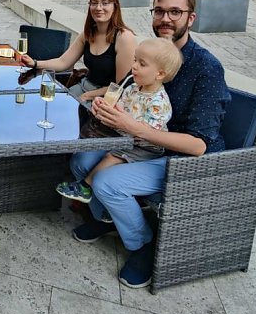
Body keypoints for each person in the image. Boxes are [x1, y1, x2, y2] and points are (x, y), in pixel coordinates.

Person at [70, 0, 230, 289]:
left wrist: (134, 128)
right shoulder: (148, 56)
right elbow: (124, 89)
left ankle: (142, 245)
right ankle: (107, 219)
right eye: (159, 11)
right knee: (81, 161)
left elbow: (199, 145)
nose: (165, 19)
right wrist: (106, 105)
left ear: (191, 18)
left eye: (175, 12)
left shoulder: (206, 68)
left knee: (106, 181)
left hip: (180, 160)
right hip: (137, 144)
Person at [56, 37, 182, 205]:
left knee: (112, 156)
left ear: (160, 74)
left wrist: (123, 120)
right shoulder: (132, 87)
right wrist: (104, 105)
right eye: (135, 60)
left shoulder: (159, 102)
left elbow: (147, 132)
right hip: (123, 137)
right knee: (87, 151)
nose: (134, 66)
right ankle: (104, 210)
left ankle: (85, 187)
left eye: (142, 64)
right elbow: (118, 107)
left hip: (145, 146)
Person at [18, 0, 136, 105]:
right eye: (94, 3)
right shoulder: (88, 34)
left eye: (105, 3)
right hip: (83, 87)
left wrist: (89, 95)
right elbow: (63, 62)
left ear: (115, 7)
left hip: (104, 98)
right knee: (44, 105)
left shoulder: (124, 38)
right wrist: (35, 63)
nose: (98, 8)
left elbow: (120, 87)